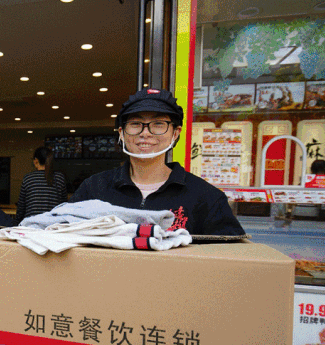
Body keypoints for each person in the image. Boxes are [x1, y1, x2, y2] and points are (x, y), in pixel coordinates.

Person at [69, 88, 245, 236]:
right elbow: (60, 232)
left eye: (159, 124)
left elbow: (230, 258)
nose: (145, 133)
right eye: (136, 124)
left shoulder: (206, 197)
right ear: (122, 133)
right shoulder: (93, 188)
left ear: (175, 133)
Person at [15, 146, 68, 222]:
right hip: (53, 225)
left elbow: (21, 207)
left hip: (31, 225)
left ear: (36, 161)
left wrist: (17, 224)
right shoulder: (59, 178)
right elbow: (63, 205)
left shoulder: (28, 178)